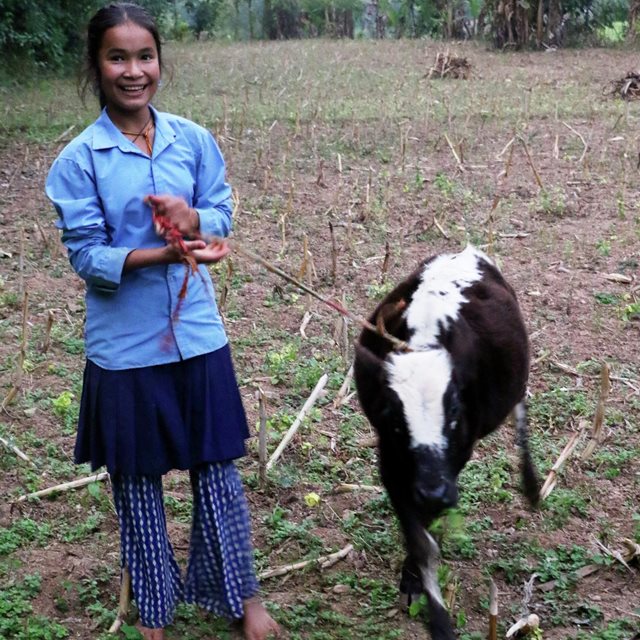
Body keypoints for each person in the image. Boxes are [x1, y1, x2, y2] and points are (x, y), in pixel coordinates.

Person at [45, 3, 281, 639]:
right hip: (125, 347)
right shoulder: (78, 160)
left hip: (197, 334)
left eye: (144, 56)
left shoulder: (193, 140)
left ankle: (242, 598)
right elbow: (89, 257)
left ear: (159, 62)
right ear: (95, 65)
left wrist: (196, 222)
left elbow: (222, 213)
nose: (133, 71)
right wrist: (161, 251)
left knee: (218, 468)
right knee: (138, 482)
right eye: (117, 57)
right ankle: (154, 610)